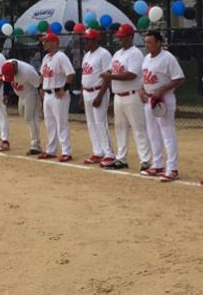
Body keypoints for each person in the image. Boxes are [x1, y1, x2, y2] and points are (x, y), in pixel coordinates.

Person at [99, 24, 152, 171]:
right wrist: (107, 73)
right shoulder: (118, 54)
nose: (120, 39)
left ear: (131, 37)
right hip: (118, 97)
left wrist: (111, 76)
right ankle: (121, 159)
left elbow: (131, 74)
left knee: (138, 128)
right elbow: (111, 69)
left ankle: (145, 160)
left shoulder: (135, 53)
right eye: (119, 37)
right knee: (120, 128)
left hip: (132, 95)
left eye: (123, 37)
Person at [139, 31, 185, 182]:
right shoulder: (146, 58)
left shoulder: (167, 58)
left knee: (167, 134)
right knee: (152, 133)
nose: (147, 45)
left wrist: (162, 90)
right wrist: (141, 90)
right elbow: (144, 79)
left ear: (159, 42)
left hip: (164, 100)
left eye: (150, 42)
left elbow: (179, 78)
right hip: (149, 100)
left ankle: (172, 168)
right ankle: (158, 164)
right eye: (146, 42)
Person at [79, 29, 114, 165]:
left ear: (96, 40)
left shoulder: (104, 54)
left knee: (100, 123)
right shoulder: (87, 55)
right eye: (86, 39)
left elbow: (107, 77)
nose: (86, 42)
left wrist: (100, 96)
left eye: (88, 39)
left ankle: (109, 153)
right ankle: (98, 152)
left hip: (98, 91)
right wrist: (82, 95)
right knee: (91, 123)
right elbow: (84, 76)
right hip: (87, 92)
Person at [38, 33, 75, 162]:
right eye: (44, 42)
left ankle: (66, 151)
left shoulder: (61, 57)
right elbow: (42, 74)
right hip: (48, 94)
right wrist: (41, 87)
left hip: (58, 94)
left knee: (61, 123)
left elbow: (70, 74)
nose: (45, 44)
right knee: (49, 123)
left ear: (55, 42)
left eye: (47, 41)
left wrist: (64, 88)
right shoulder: (46, 58)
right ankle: (51, 150)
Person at [0, 59, 43, 155]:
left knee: (31, 118)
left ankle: (36, 146)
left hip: (31, 93)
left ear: (15, 68)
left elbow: (39, 85)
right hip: (21, 95)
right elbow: (6, 81)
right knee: (23, 114)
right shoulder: (6, 65)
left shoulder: (27, 71)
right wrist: (6, 94)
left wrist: (43, 99)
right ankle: (35, 142)